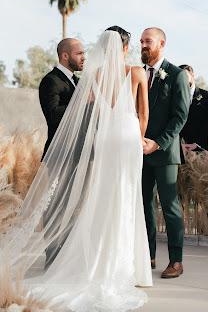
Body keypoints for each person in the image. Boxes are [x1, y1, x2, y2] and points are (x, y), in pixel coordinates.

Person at [0, 27, 152, 312]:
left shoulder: (91, 78)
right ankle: (69, 259)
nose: (84, 57)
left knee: (100, 201)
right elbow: (140, 114)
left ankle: (93, 259)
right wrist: (138, 136)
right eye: (79, 53)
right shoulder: (56, 81)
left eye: (87, 52)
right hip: (108, 144)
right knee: (97, 201)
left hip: (104, 145)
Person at [141, 27, 190, 279]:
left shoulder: (176, 75)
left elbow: (180, 116)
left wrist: (157, 143)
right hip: (140, 152)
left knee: (170, 207)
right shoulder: (139, 73)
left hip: (164, 153)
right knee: (145, 206)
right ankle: (148, 256)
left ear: (162, 43)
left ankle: (176, 260)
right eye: (141, 41)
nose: (143, 45)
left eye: (147, 41)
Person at [39, 38, 85, 158]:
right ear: (65, 56)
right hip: (59, 154)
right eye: (79, 53)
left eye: (83, 53)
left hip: (80, 152)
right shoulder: (50, 81)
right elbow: (53, 115)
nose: (84, 57)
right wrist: (83, 100)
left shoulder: (78, 81)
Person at [179, 64, 208, 152]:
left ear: (192, 75)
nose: (183, 80)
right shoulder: (175, 96)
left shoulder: (207, 96)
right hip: (179, 147)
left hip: (199, 147)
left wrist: (197, 143)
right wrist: (178, 144)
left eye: (185, 76)